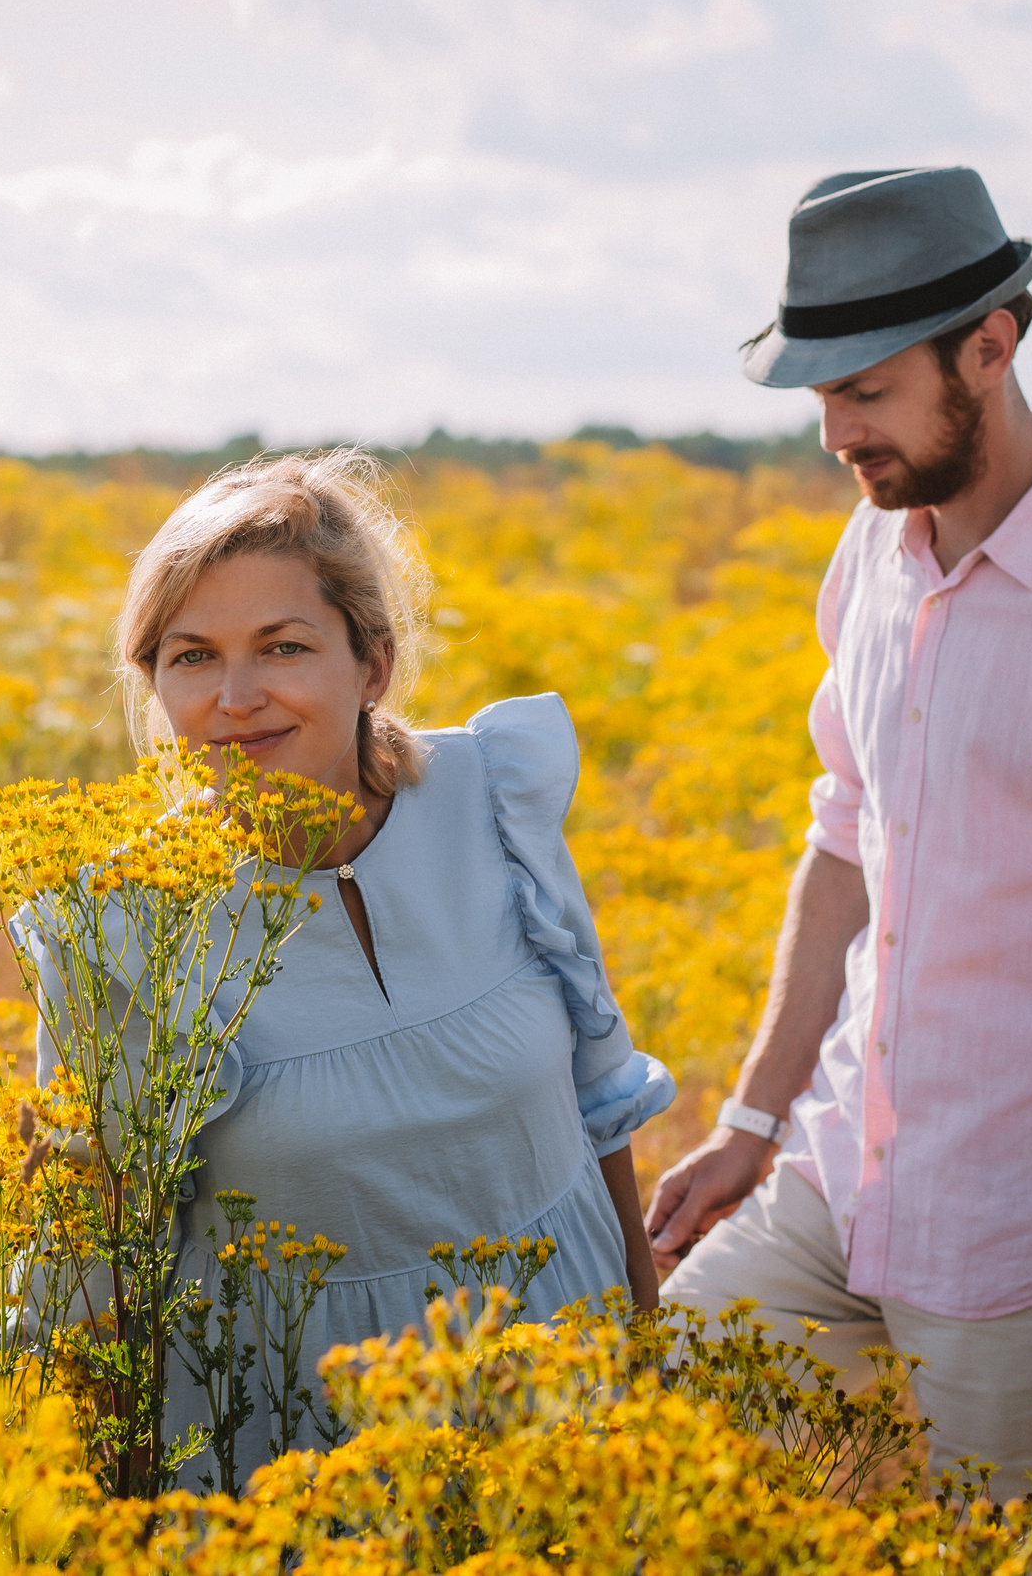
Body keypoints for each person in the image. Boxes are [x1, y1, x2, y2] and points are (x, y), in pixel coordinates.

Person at [644, 166, 1032, 1503]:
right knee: (638, 1450)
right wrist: (754, 1117)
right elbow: (843, 842)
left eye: (865, 389)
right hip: (837, 1169)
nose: (834, 432)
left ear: (989, 347)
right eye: (819, 395)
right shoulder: (870, 556)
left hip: (1031, 1227)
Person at [36, 448, 674, 1487]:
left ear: (370, 662)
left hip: (574, 1394)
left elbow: (598, 1107)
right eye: (190, 657)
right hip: (306, 1452)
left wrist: (651, 1376)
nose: (234, 699)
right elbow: (103, 1284)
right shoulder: (122, 931)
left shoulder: (492, 799)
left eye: (281, 647)